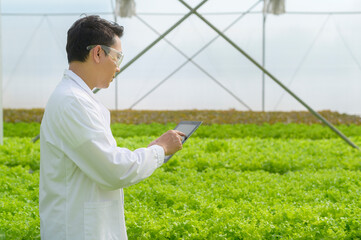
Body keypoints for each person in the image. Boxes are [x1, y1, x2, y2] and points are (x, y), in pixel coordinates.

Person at [39, 15, 185, 240]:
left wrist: (153, 149)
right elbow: (115, 170)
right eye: (117, 57)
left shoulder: (74, 97)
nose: (117, 68)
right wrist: (160, 150)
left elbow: (105, 160)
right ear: (98, 53)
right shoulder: (73, 102)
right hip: (78, 231)